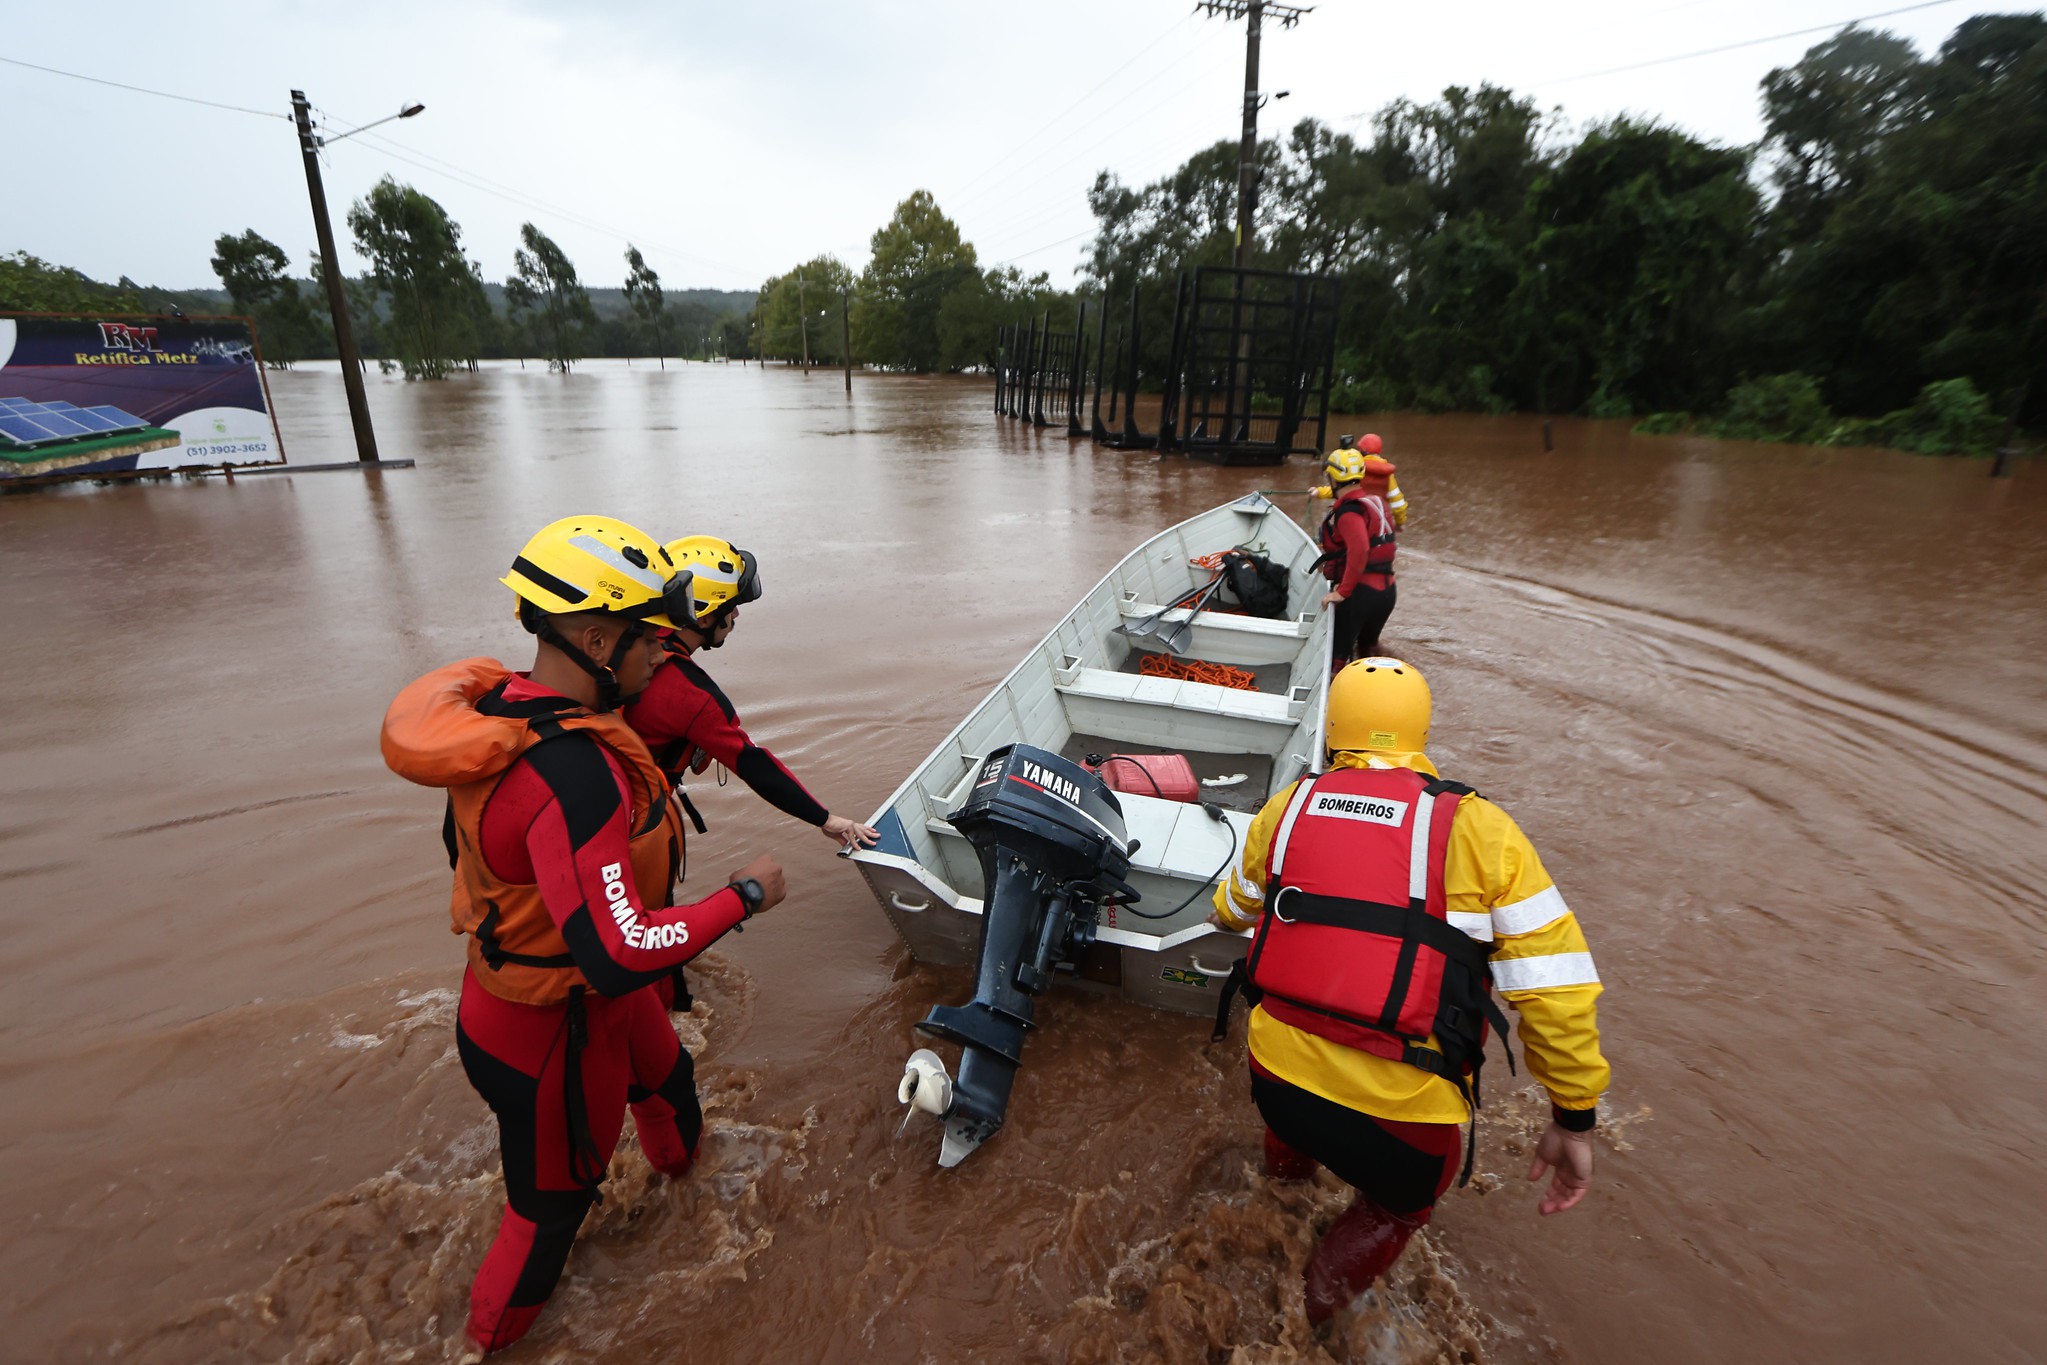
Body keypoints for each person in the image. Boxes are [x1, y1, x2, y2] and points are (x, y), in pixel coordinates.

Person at [381, 515, 789, 1353]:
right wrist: (741, 896)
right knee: (550, 1210)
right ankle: (489, 1344)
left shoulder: (506, 707)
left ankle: (685, 1196)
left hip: (570, 1000)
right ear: (598, 636)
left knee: (671, 1083)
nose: (663, 656)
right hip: (548, 1027)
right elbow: (617, 950)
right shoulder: (572, 771)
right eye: (651, 640)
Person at [1210, 658, 1608, 1326]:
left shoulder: (1289, 805)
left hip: (1275, 1075)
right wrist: (1573, 1116)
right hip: (1401, 1114)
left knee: (1289, 1130)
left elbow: (1234, 906)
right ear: (1419, 730)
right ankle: (1305, 1320)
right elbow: (1554, 989)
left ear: (1332, 728)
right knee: (1392, 1207)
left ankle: (1281, 1190)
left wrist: (1218, 911)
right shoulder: (1481, 829)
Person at [624, 534, 879, 853]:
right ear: (703, 616)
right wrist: (825, 820)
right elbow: (753, 763)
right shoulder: (691, 693)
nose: (737, 616)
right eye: (731, 607)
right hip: (634, 827)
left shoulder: (619, 646)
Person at [1313, 446, 1400, 663]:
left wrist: (1342, 592)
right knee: (1368, 655)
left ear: (1333, 479)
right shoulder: (1375, 502)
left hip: (1361, 594)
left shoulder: (1349, 512)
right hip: (1386, 593)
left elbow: (1360, 550)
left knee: (1337, 660)